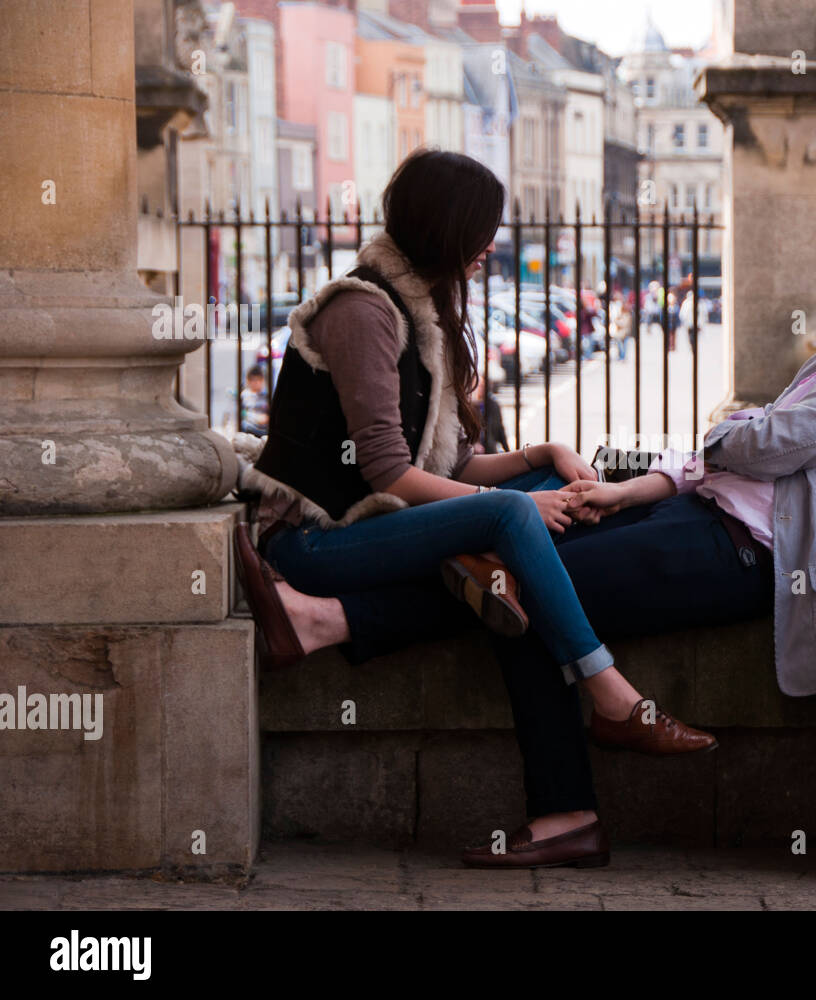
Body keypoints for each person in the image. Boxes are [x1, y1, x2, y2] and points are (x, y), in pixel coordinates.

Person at [232, 150, 715, 870]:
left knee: (550, 517)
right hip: (313, 540)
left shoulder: (425, 313)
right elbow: (389, 470)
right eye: (485, 229)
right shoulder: (361, 310)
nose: (493, 245)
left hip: (375, 525)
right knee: (513, 521)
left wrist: (543, 456)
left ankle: (562, 784)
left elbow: (449, 469)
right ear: (448, 229)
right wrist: (511, 504)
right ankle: (611, 696)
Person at [480, 220, 816, 865]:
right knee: (515, 542)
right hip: (694, 514)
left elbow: (766, 445)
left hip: (745, 551)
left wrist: (734, 430)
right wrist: (633, 488)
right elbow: (754, 448)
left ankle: (569, 813)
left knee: (524, 592)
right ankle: (338, 615)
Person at [239, 366, 269, 436]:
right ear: (248, 381)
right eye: (253, 380)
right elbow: (241, 413)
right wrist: (256, 418)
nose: (256, 383)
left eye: (259, 380)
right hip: (249, 428)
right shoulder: (244, 396)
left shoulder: (267, 396)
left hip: (265, 429)